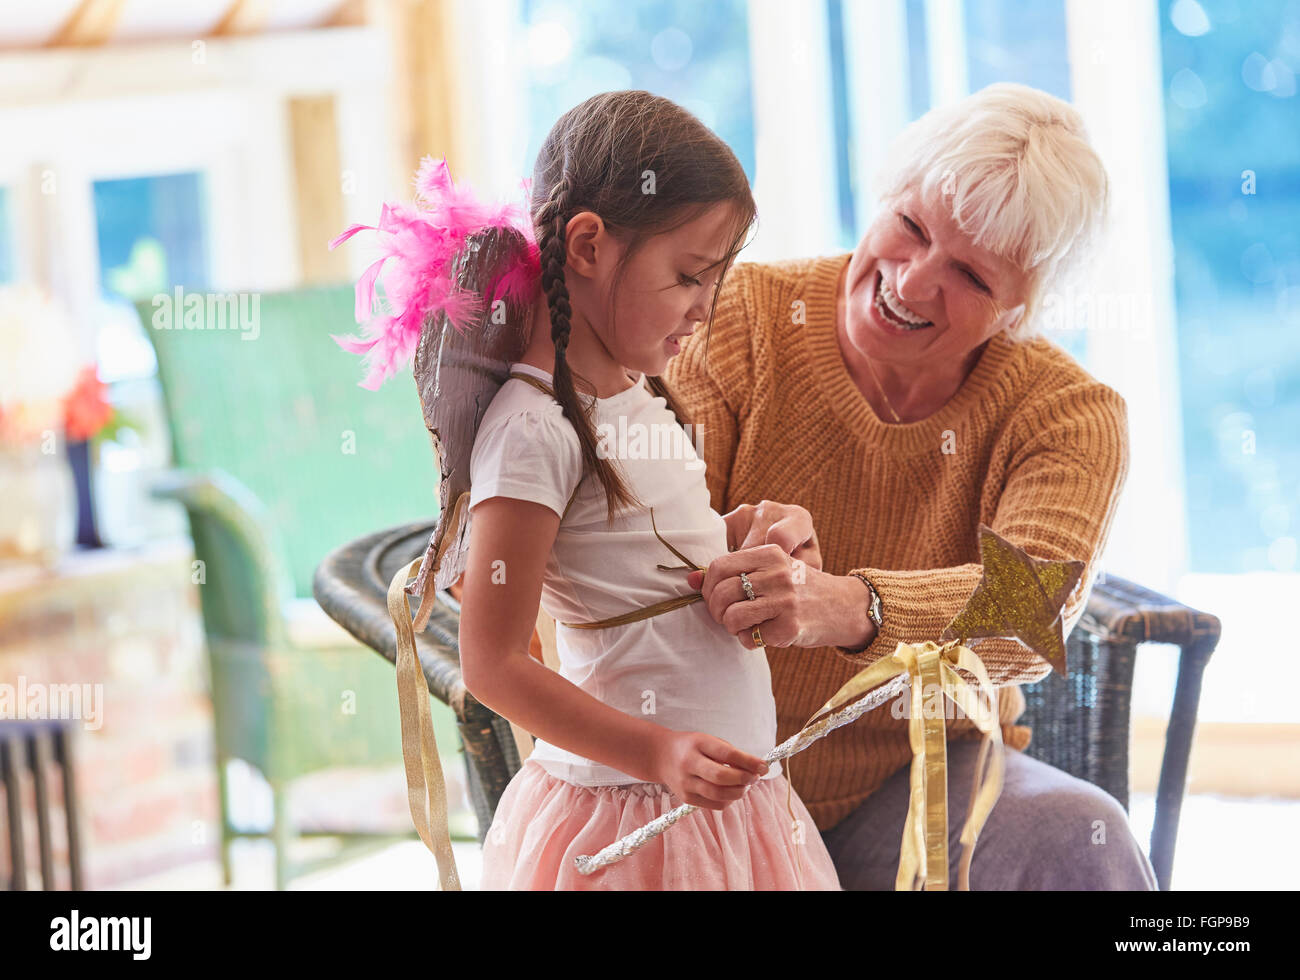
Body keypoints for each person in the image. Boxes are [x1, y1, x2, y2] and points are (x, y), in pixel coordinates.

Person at [663, 82, 1159, 889]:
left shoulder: (1067, 412)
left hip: (914, 786)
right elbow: (641, 553)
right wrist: (730, 549)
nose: (914, 281)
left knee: (1080, 836)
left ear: (1023, 307)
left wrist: (848, 606)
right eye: (912, 227)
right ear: (885, 197)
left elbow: (1024, 614)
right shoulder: (739, 317)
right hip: (709, 775)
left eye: (969, 273)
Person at [460, 90, 841, 890]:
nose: (708, 308)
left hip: (726, 816)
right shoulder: (535, 430)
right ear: (590, 246)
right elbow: (490, 661)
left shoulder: (635, 395)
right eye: (689, 276)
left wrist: (746, 540)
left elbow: (639, 558)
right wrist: (658, 752)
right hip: (632, 823)